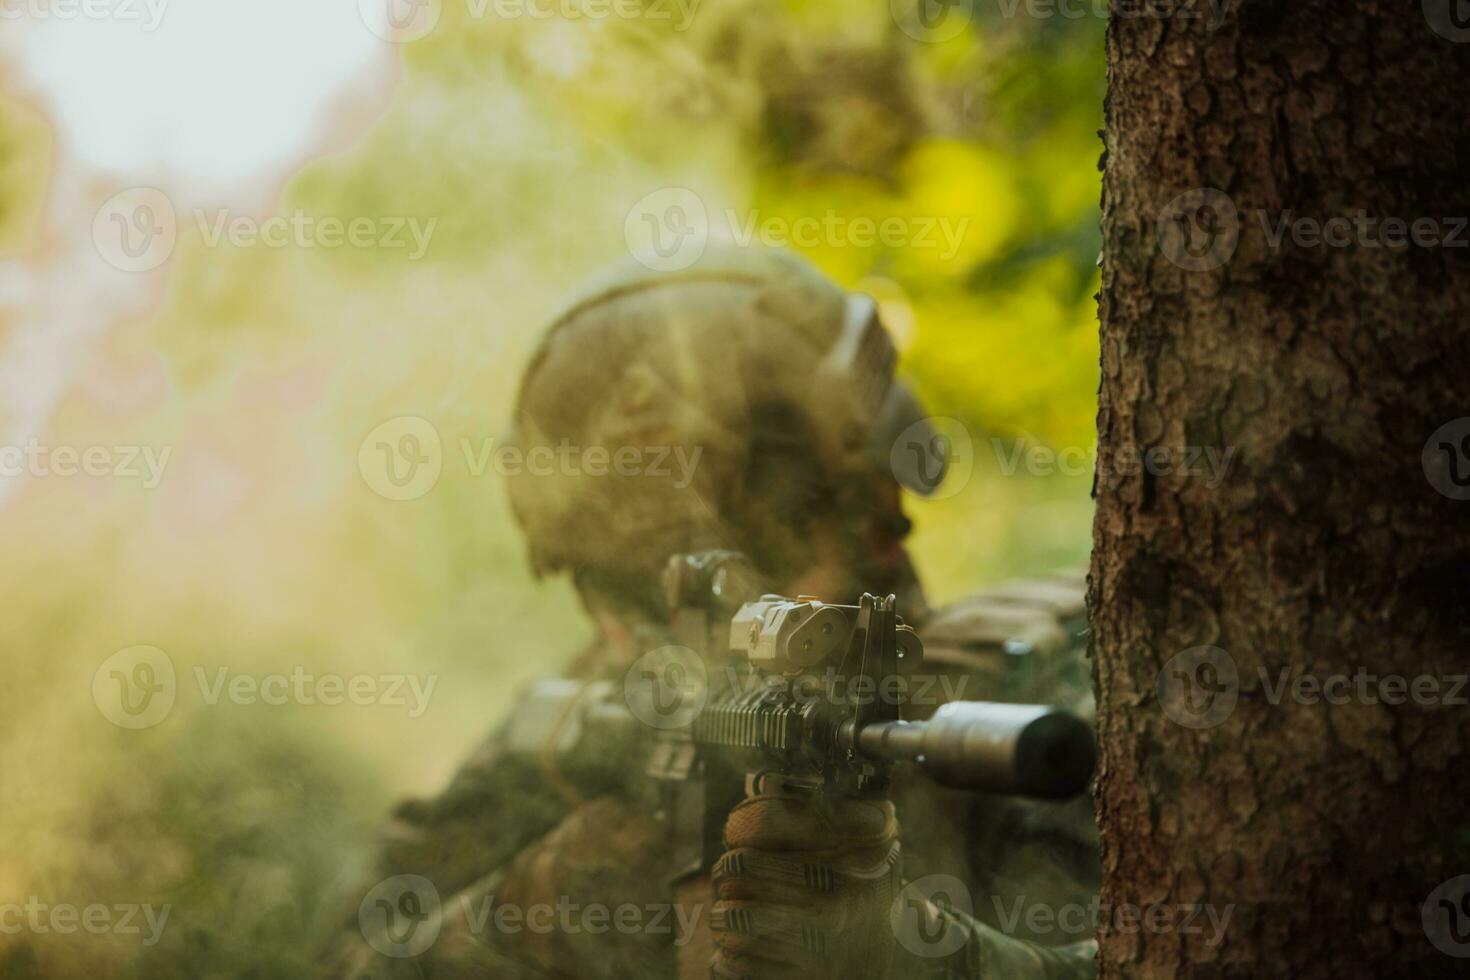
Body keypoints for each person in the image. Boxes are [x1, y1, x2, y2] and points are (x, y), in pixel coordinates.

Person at [322, 248, 1098, 979]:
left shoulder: (1041, 691)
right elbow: (353, 955)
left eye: (756, 553)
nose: (713, 622)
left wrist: (931, 960)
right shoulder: (573, 737)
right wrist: (535, 910)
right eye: (655, 580)